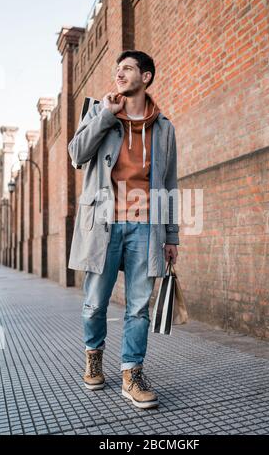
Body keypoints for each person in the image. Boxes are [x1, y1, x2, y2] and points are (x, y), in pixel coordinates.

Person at [68, 50, 179, 409]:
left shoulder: (163, 128)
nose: (119, 74)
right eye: (117, 69)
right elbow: (76, 155)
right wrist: (104, 116)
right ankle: (93, 356)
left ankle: (131, 373)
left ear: (145, 77)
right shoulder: (99, 114)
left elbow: (170, 184)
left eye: (127, 69)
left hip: (146, 226)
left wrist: (172, 236)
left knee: (138, 308)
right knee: (94, 302)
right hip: (103, 222)